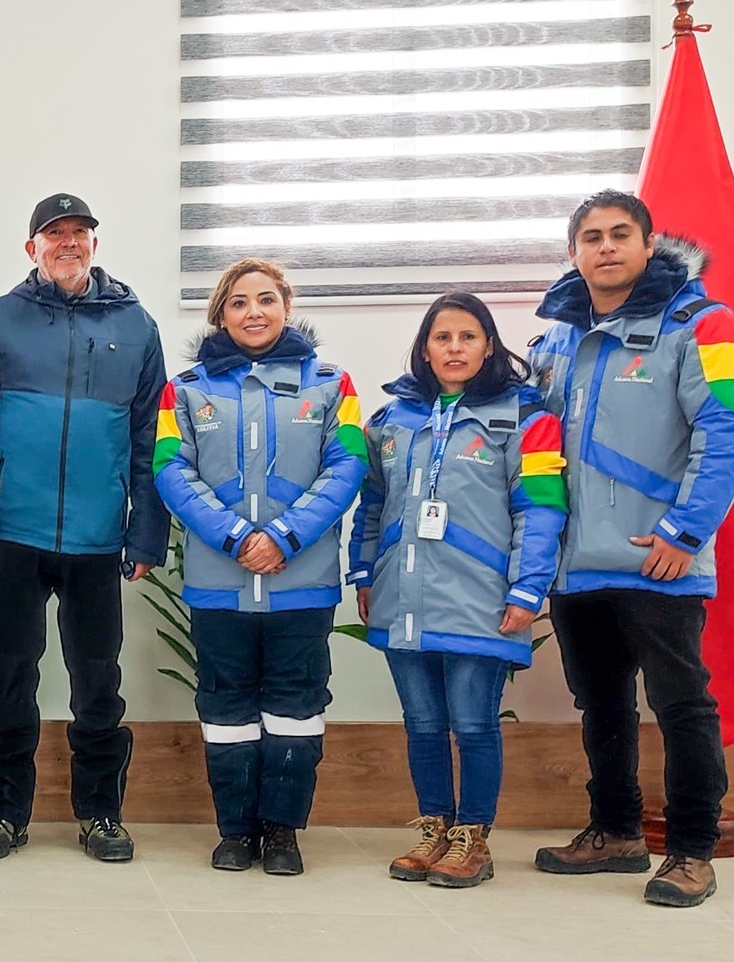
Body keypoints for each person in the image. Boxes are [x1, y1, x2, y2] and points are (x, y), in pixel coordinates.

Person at [526, 189, 734, 908]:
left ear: (650, 245)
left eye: (621, 234)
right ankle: (615, 831)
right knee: (602, 701)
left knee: (681, 703)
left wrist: (686, 532)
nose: (606, 246)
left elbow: (724, 430)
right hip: (575, 562)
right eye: (591, 236)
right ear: (574, 252)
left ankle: (693, 850)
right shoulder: (552, 336)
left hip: (658, 555)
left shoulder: (702, 324)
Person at [0, 193, 168, 862]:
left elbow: (148, 439)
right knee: (10, 680)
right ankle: (4, 813)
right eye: (53, 234)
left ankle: (101, 813)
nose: (67, 243)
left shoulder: (136, 326)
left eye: (78, 233)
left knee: (98, 683)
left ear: (94, 245)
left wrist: (145, 532)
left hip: (98, 540)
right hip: (12, 533)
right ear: (31, 247)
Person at [153, 257, 365, 875]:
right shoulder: (187, 388)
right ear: (221, 313)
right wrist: (236, 536)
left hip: (302, 584)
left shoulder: (332, 384)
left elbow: (346, 466)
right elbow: (170, 468)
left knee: (296, 705)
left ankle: (282, 831)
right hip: (219, 583)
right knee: (226, 709)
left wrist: (286, 536)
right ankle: (235, 831)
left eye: (266, 300)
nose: (254, 312)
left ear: (286, 306)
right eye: (240, 302)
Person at [350, 292, 567, 888]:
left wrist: (528, 589)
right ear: (424, 348)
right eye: (442, 338)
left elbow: (540, 509)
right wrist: (364, 573)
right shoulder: (389, 420)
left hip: (482, 599)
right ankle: (433, 829)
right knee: (421, 723)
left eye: (467, 337)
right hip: (402, 596)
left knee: (472, 723)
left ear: (489, 346)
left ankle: (472, 837)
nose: (454, 348)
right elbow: (371, 506)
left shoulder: (527, 416)